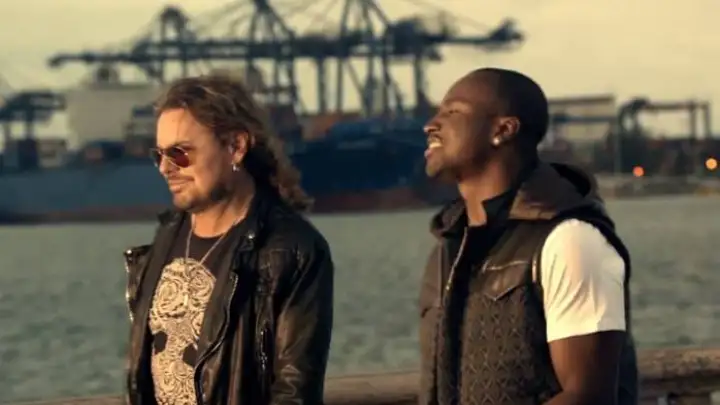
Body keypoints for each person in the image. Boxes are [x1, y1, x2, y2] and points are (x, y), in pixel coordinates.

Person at [418, 68, 638, 405]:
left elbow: (587, 396)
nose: (430, 125)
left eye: (452, 112)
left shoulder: (570, 240)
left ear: (503, 130)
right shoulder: (449, 248)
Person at [123, 73, 334, 405]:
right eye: (158, 155)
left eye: (180, 153)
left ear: (235, 146)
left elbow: (295, 392)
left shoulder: (292, 250)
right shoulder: (166, 236)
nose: (165, 168)